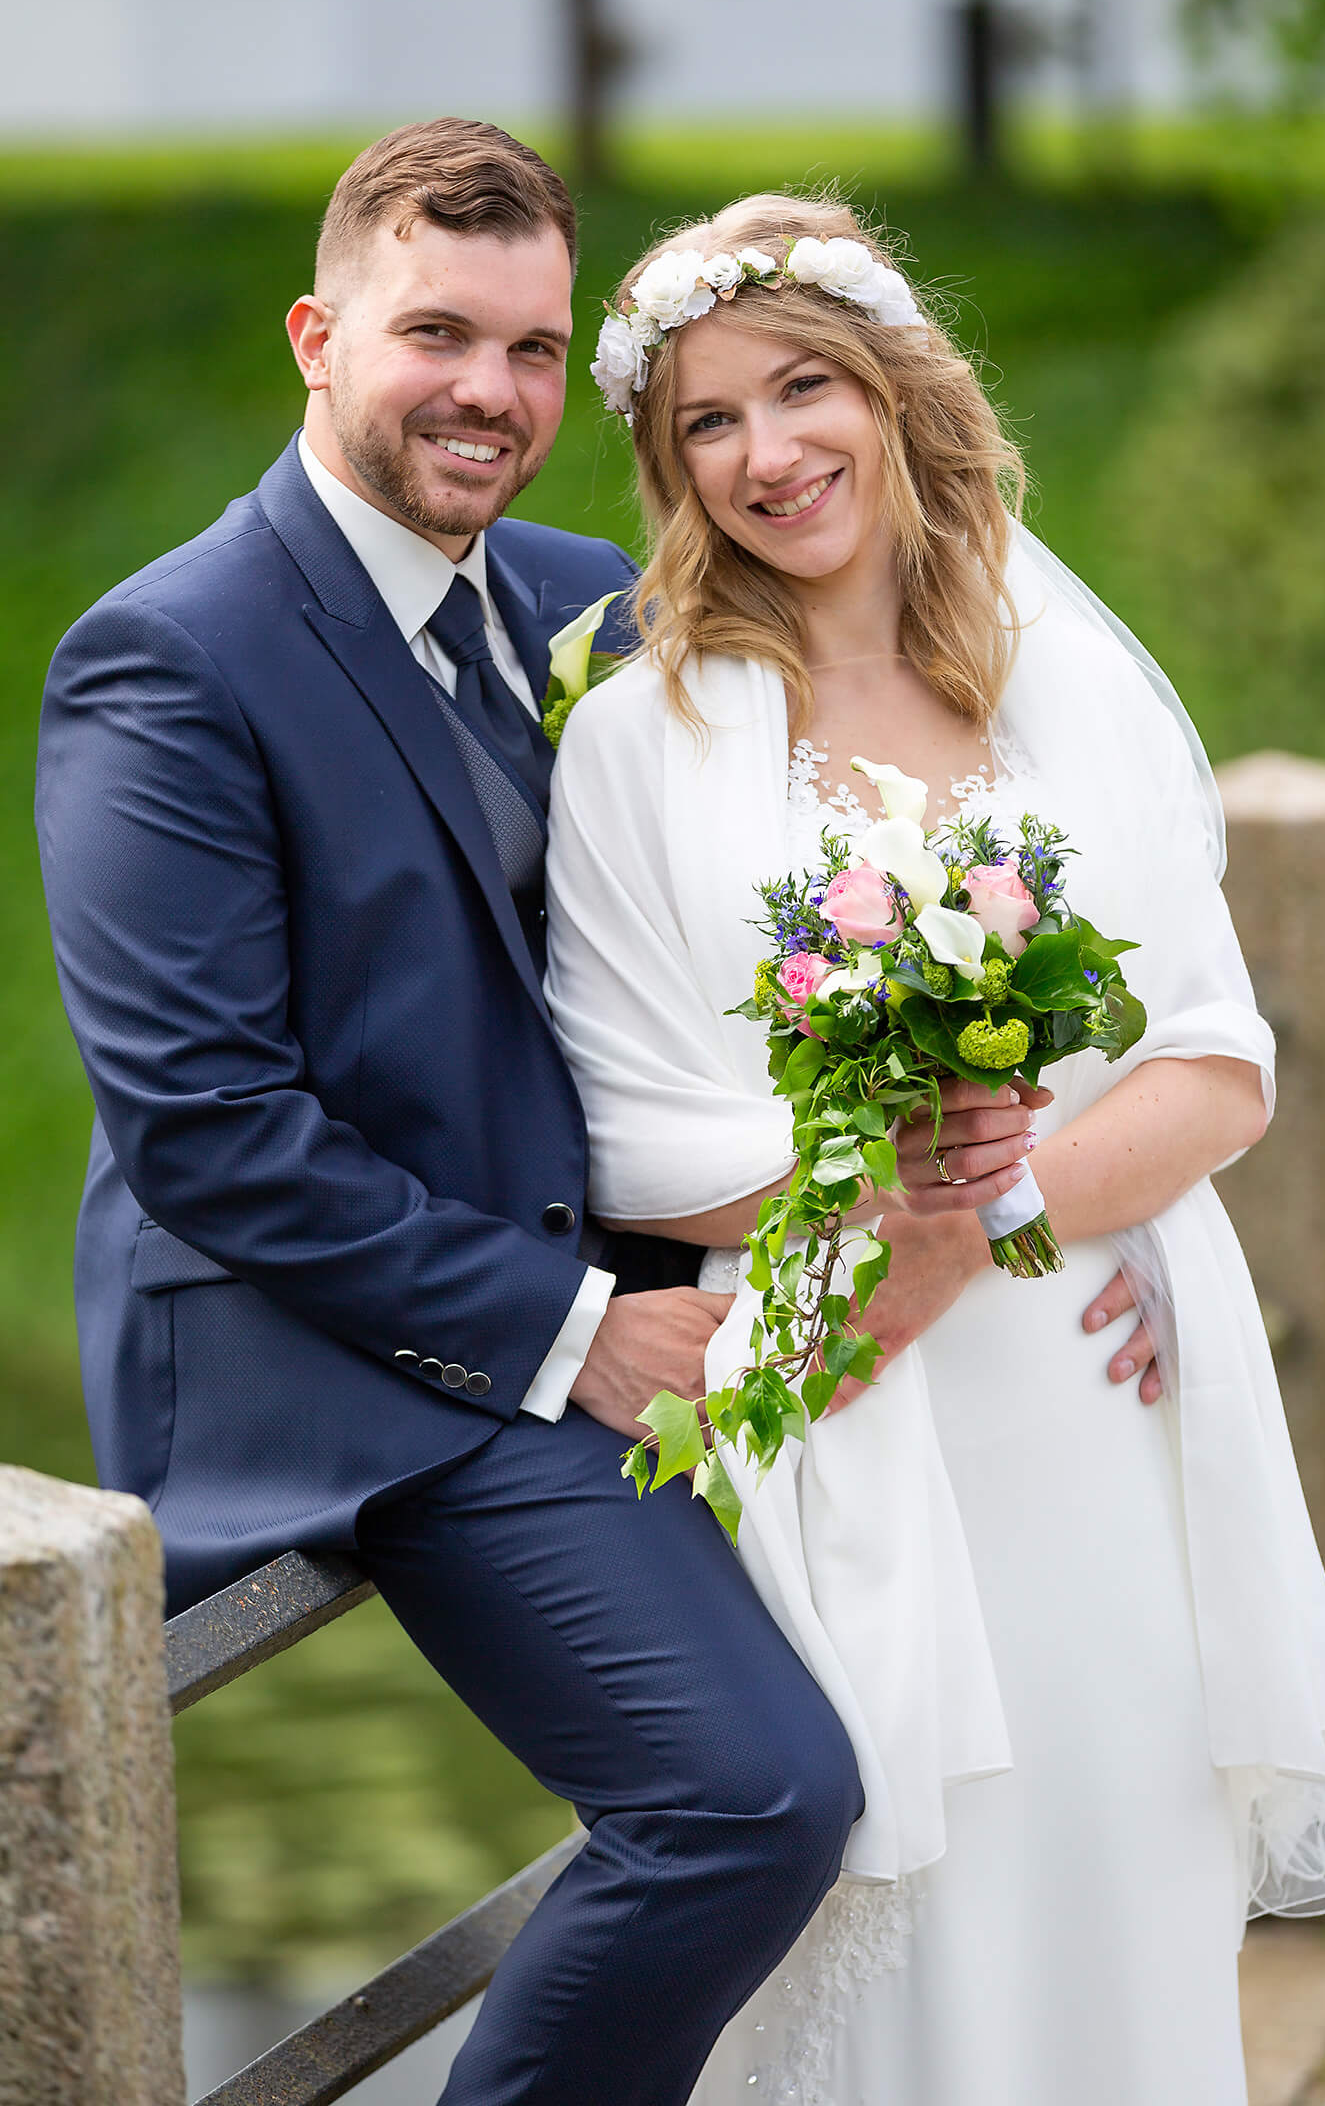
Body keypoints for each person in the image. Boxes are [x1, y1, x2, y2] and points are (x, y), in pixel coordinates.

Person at [34, 123, 873, 2106]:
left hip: (644, 1272)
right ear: (318, 338)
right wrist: (583, 1336)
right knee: (749, 1793)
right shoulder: (171, 660)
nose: (490, 394)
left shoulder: (596, 600)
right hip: (361, 1353)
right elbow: (209, 1130)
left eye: (529, 347)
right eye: (437, 335)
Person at [544, 192, 1325, 2105]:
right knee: (889, 1923)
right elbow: (638, 1138)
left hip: (1101, 1397)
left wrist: (1005, 1203)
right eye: (708, 421)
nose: (769, 453)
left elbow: (1213, 1066)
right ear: (670, 466)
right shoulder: (639, 739)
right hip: (846, 1386)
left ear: (890, 390)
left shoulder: (1058, 678)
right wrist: (906, 1198)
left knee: (1115, 1877)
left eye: (803, 389)